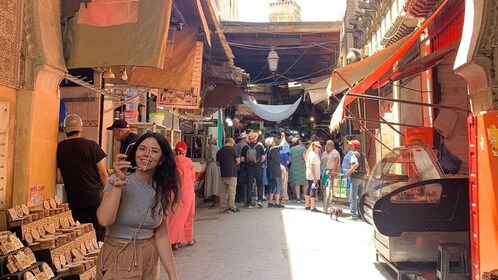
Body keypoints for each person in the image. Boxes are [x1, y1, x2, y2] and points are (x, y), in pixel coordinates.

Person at [96, 132, 179, 280]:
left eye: (154, 151)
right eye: (142, 149)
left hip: (150, 260)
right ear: (135, 153)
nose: (147, 154)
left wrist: (173, 275)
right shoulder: (116, 180)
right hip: (119, 255)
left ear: (161, 160)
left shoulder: (161, 189)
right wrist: (118, 184)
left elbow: (161, 235)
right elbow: (104, 220)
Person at [57, 114, 108, 242]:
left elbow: (58, 176)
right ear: (80, 129)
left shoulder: (60, 147)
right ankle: (96, 255)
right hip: (95, 195)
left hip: (74, 197)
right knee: (99, 229)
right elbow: (103, 173)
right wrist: (108, 192)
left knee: (80, 231)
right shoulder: (91, 145)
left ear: (66, 130)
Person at [168, 141, 196, 250]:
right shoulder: (188, 161)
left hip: (172, 190)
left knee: (174, 215)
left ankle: (174, 241)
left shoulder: (170, 162)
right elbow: (192, 177)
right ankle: (189, 238)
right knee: (188, 214)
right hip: (187, 190)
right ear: (185, 150)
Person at [342, 139, 370, 220]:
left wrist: (349, 172)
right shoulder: (363, 154)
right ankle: (362, 214)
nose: (350, 147)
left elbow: (356, 164)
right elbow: (367, 165)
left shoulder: (353, 154)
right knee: (361, 198)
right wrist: (368, 174)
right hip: (362, 178)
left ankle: (353, 215)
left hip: (355, 178)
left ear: (353, 146)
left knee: (353, 197)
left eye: (351, 145)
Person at [241, 131, 266, 208]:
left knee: (249, 186)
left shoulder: (245, 147)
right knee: (259, 185)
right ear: (256, 138)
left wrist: (249, 162)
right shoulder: (260, 147)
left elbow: (242, 159)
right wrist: (258, 162)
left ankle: (249, 203)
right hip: (258, 168)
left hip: (249, 169)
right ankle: (260, 200)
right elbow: (263, 158)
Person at [216, 137, 241, 213]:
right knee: (232, 191)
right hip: (232, 173)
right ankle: (232, 206)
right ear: (231, 143)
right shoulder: (232, 149)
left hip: (223, 173)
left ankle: (222, 207)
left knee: (223, 191)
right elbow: (238, 160)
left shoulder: (219, 151)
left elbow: (217, 163)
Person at [265, 134, 286, 208]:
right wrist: (283, 138)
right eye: (273, 141)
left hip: (271, 170)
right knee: (278, 185)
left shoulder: (269, 150)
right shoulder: (273, 149)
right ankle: (277, 202)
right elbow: (282, 146)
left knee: (273, 186)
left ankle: (270, 202)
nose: (275, 142)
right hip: (276, 170)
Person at [321, 140, 341, 214]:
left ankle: (331, 203)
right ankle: (327, 204)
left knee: (332, 188)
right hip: (326, 171)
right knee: (325, 187)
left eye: (327, 145)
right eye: (326, 145)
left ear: (331, 146)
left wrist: (333, 171)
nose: (326, 147)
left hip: (333, 171)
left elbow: (336, 162)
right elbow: (322, 161)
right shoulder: (325, 153)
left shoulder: (335, 152)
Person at [305, 141, 322, 212]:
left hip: (310, 175)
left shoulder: (311, 154)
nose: (319, 149)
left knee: (308, 189)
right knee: (313, 189)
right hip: (313, 176)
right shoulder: (313, 155)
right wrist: (315, 177)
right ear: (314, 146)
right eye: (318, 147)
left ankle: (307, 205)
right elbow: (312, 166)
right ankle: (312, 206)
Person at [289, 137, 307, 203]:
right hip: (302, 167)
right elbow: (304, 157)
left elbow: (290, 160)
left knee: (297, 183)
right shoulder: (303, 148)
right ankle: (305, 196)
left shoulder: (291, 149)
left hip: (294, 167)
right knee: (304, 182)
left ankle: (298, 197)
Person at [204, 138, 221, 207]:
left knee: (211, 183)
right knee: (217, 183)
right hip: (217, 166)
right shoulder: (217, 148)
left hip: (210, 166)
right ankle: (218, 201)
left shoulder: (207, 148)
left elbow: (207, 158)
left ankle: (214, 202)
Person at [234, 132, 248, 203]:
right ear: (245, 138)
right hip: (243, 166)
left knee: (236, 183)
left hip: (236, 166)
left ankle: (237, 197)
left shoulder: (235, 146)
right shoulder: (246, 146)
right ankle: (242, 197)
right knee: (243, 182)